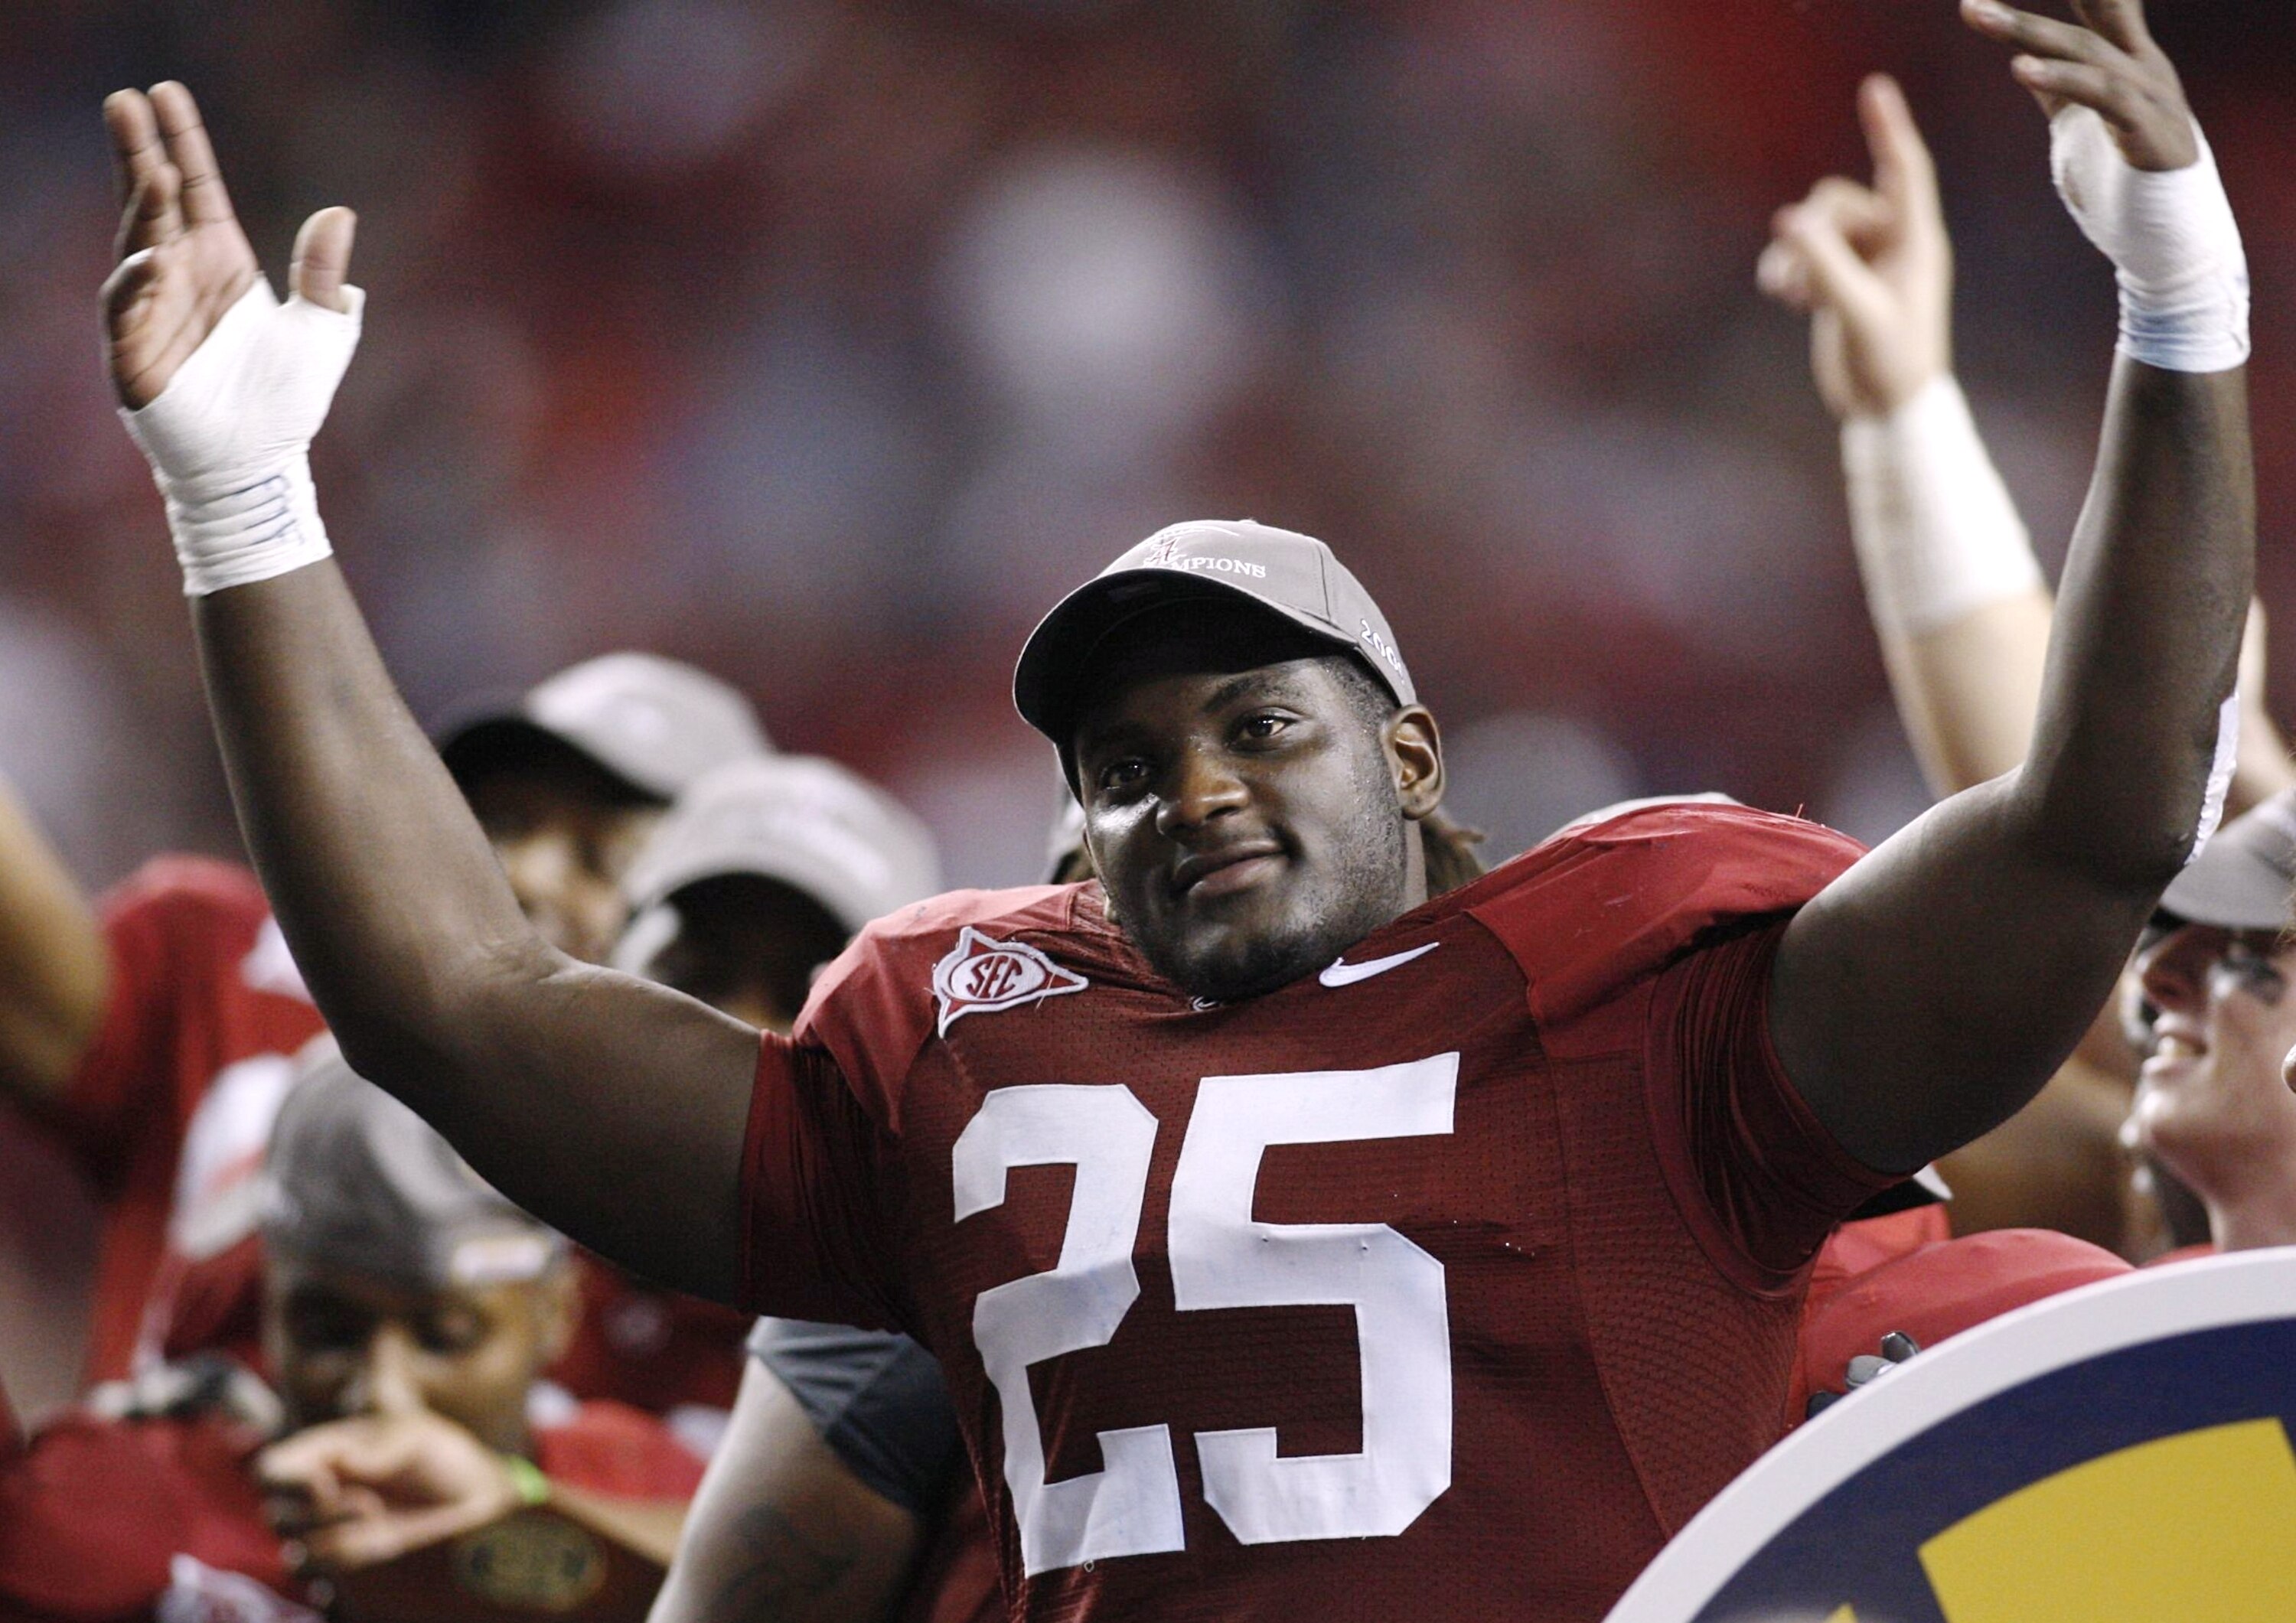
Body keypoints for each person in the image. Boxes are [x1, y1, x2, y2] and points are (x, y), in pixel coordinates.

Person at [96, 2, 2255, 1615]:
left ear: (1411, 753)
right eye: (1120, 767)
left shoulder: (1658, 983)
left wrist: (2179, 301)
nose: (1191, 790)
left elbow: (2097, 820)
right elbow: (456, 1007)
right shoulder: (957, 1035)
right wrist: (242, 494)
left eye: (1256, 726)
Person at [1756, 67, 2291, 1253]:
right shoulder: (2147, 1170)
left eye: (2256, 960)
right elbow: (2080, 841)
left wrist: (2182, 280)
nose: (2166, 978)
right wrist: (1907, 422)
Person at [0, 653, 767, 1394]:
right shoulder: (236, 970)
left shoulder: (708, 1257)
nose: (529, 874)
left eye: (604, 859)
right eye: (502, 822)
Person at [0, 1042, 701, 1619]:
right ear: (270, 1304)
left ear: (557, 1314)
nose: (383, 1395)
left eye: (446, 1336)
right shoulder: (123, 1501)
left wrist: (518, 1515)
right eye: (327, 1330)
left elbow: (785, 1582)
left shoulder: (640, 1479)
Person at [612, 755, 997, 1623]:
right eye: (694, 970)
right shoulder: (453, 1217)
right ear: (606, 957)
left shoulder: (935, 1313)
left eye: (807, 992)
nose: (741, 1030)